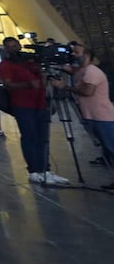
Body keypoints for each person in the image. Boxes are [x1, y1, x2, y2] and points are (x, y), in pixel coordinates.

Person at [0, 36, 68, 185]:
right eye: (9, 46)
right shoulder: (5, 64)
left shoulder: (31, 62)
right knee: (30, 137)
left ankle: (45, 170)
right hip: (22, 105)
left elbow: (44, 76)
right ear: (5, 49)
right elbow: (8, 85)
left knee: (43, 138)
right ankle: (34, 171)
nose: (14, 48)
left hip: (40, 103)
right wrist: (28, 84)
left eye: (15, 45)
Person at [52, 42, 114, 189]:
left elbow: (88, 92)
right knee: (107, 149)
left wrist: (64, 87)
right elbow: (70, 69)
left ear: (87, 55)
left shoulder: (92, 71)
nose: (73, 54)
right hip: (91, 115)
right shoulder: (81, 70)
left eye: (76, 52)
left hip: (102, 116)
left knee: (112, 148)